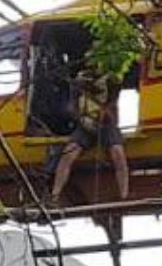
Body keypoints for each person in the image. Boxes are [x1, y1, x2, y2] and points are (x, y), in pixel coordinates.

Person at [49, 66, 130, 203]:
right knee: (67, 155)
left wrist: (106, 115)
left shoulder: (111, 79)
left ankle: (124, 195)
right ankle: (55, 195)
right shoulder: (79, 82)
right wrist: (81, 118)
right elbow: (72, 108)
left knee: (118, 154)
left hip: (107, 125)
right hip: (85, 126)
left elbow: (113, 103)